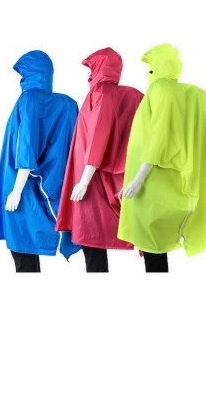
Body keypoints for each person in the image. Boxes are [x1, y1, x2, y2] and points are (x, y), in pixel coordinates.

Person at [117, 44, 206, 271]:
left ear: (157, 68)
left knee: (153, 246)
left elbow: (158, 139)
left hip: (152, 182)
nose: (148, 75)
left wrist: (137, 180)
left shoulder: (159, 90)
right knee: (156, 248)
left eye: (150, 69)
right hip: (179, 180)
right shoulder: (193, 94)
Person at [0, 50, 80, 272]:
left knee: (21, 247)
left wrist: (16, 191)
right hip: (49, 183)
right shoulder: (66, 104)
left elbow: (27, 146)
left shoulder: (28, 99)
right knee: (26, 247)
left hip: (23, 185)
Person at [56, 48, 143, 273]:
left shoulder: (102, 93)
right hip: (98, 177)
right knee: (92, 241)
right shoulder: (127, 95)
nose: (89, 76)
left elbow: (98, 137)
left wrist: (84, 181)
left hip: (92, 182)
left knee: (91, 240)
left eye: (92, 69)